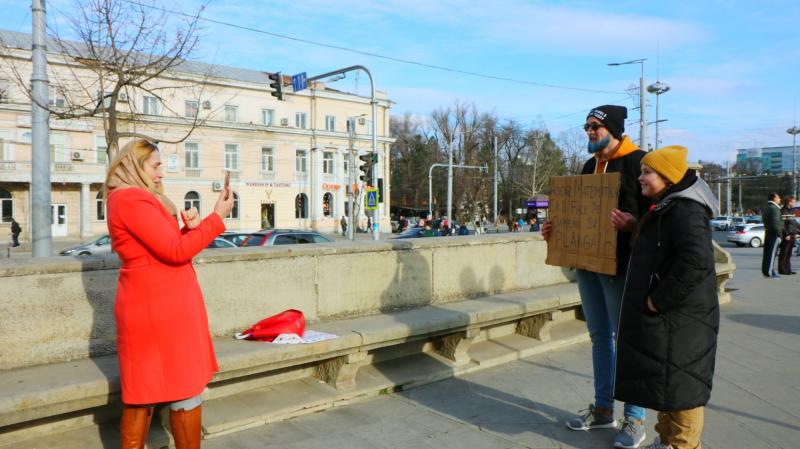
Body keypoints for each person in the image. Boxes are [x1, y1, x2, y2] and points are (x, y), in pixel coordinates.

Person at [105, 139, 234, 449]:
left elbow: (164, 248)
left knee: (154, 389)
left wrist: (189, 230)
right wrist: (217, 218)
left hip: (160, 306)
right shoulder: (130, 199)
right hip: (157, 311)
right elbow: (175, 253)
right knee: (164, 390)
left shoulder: (133, 198)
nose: (161, 173)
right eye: (155, 166)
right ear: (135, 167)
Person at [542, 104, 650, 449]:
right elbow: (579, 215)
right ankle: (604, 409)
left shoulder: (638, 163)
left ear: (614, 129)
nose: (588, 132)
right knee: (600, 338)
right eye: (586, 126)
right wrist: (555, 231)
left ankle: (635, 419)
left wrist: (634, 224)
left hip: (621, 267)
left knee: (628, 339)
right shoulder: (591, 166)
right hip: (588, 265)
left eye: (594, 127)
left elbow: (657, 214)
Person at [615, 145, 720, 449]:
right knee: (666, 383)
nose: (641, 178)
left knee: (683, 388)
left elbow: (696, 262)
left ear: (668, 177)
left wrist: (657, 301)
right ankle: (667, 441)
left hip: (681, 318)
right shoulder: (668, 205)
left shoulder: (686, 210)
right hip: (672, 319)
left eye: (647, 173)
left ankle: (684, 445)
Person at [761, 192, 783, 279]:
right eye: (778, 197)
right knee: (772, 254)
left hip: (768, 232)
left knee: (767, 254)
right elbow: (775, 223)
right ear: (774, 198)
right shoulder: (774, 209)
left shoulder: (768, 207)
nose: (780, 199)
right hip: (774, 234)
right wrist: (780, 234)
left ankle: (766, 271)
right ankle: (770, 272)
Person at [778, 195, 797, 275]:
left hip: (792, 234)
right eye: (793, 202)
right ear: (789, 202)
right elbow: (782, 225)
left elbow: (794, 223)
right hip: (787, 235)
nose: (795, 203)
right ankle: (782, 270)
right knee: (784, 253)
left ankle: (788, 269)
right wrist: (786, 234)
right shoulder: (783, 211)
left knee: (789, 253)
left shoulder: (791, 211)